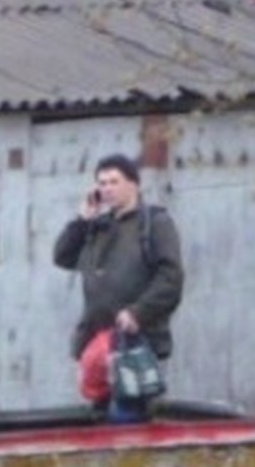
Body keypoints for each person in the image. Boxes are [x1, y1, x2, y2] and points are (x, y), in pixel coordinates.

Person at [52, 153, 184, 420]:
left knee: (127, 423)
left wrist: (138, 312)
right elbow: (62, 257)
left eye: (114, 182)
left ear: (134, 184)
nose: (107, 189)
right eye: (101, 183)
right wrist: (82, 220)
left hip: (134, 346)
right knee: (99, 422)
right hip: (96, 344)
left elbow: (171, 278)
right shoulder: (97, 228)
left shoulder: (155, 224)